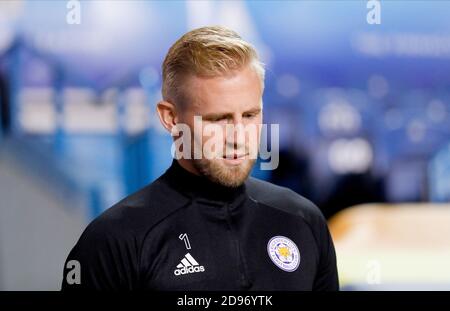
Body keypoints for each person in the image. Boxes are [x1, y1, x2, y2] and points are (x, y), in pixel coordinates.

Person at [61, 26, 339, 291]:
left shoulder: (303, 221)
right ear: (170, 118)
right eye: (218, 119)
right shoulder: (113, 241)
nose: (238, 137)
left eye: (250, 115)